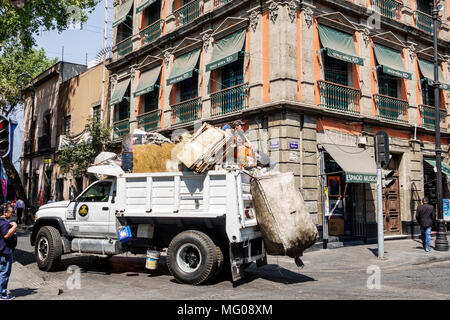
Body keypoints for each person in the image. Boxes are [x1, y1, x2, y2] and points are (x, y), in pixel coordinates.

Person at [0, 204, 17, 300]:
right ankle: (2, 294)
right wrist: (14, 226)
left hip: (2, 251)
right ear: (5, 213)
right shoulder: (4, 223)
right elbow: (6, 235)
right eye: (10, 212)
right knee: (4, 273)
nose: (12, 213)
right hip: (5, 252)